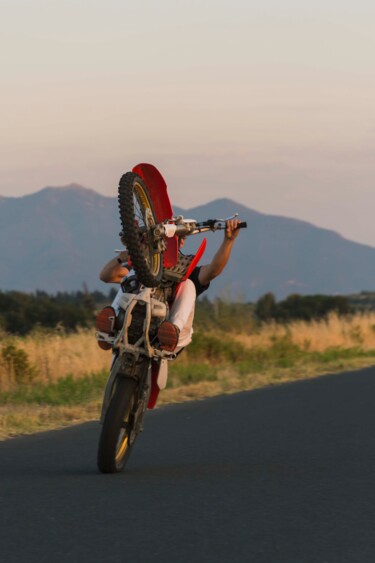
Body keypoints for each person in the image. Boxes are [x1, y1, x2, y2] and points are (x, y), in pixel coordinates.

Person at [99, 218, 241, 352]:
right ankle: (111, 322)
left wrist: (229, 240)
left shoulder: (186, 271)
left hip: (171, 338)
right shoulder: (142, 268)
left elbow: (213, 271)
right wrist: (121, 257)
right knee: (131, 276)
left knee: (188, 284)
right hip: (135, 327)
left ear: (181, 242)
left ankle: (172, 330)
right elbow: (106, 276)